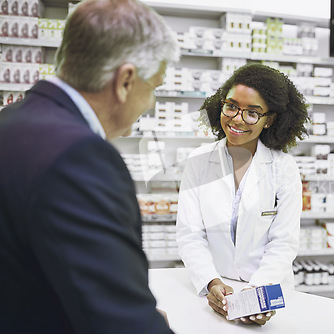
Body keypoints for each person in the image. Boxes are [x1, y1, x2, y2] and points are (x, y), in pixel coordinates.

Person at [0, 0, 179, 333]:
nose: (152, 103)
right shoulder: (80, 156)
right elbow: (120, 323)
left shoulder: (11, 120)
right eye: (153, 87)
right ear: (126, 80)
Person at [176, 63, 309, 326]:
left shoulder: (283, 168)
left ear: (269, 119)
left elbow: (284, 242)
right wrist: (211, 281)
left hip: (266, 289)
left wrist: (255, 294)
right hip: (216, 289)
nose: (237, 119)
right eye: (232, 106)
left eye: (252, 113)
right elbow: (190, 234)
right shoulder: (199, 161)